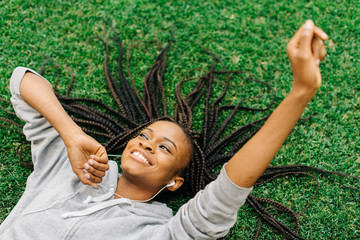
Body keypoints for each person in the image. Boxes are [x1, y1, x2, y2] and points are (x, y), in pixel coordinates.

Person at [0, 20, 328, 239]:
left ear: (175, 181)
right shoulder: (66, 165)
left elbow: (229, 189)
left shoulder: (160, 232)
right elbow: (21, 81)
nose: (147, 145)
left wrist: (300, 92)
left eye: (164, 148)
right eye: (144, 137)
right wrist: (71, 136)